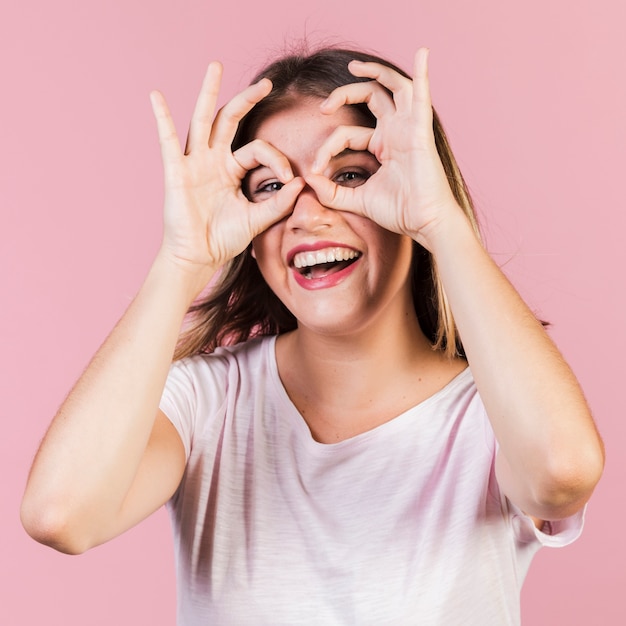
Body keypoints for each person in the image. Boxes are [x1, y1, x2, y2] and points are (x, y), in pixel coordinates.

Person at [21, 45, 604, 625]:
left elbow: (560, 475)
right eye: (270, 186)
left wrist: (440, 222)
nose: (307, 214)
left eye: (349, 175)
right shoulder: (208, 404)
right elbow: (61, 516)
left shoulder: (491, 413)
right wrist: (180, 261)